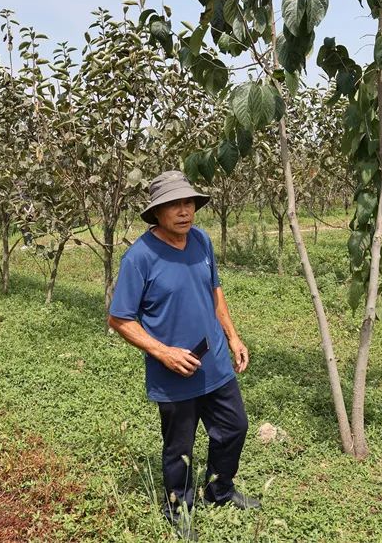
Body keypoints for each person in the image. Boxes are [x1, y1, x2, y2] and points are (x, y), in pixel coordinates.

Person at [107, 170, 259, 538]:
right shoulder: (139, 258)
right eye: (173, 204)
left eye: (188, 202)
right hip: (174, 372)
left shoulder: (201, 241)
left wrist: (234, 337)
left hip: (215, 361)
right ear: (156, 212)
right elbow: (119, 318)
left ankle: (219, 490)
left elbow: (215, 293)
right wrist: (164, 353)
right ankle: (179, 510)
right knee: (179, 446)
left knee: (234, 427)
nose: (184, 211)